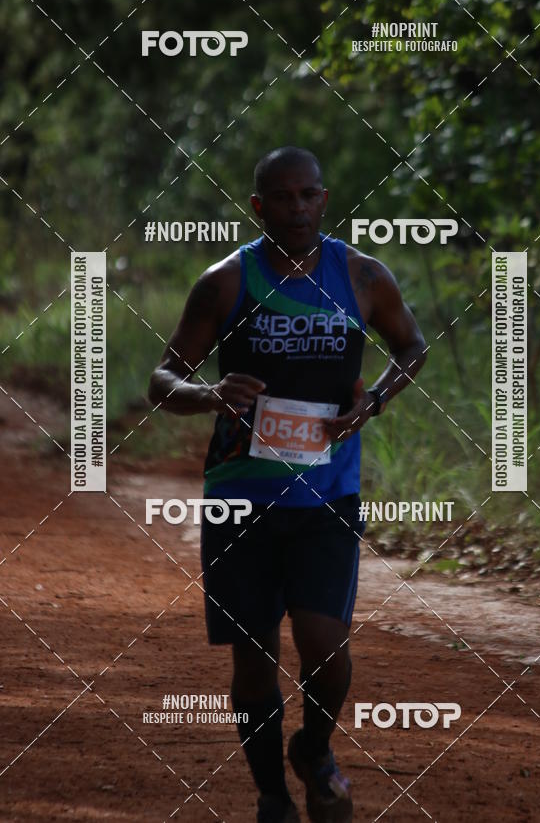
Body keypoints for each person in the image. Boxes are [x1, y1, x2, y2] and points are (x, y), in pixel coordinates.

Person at [148, 146, 427, 823]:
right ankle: (271, 794)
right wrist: (210, 393)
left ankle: (315, 748)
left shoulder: (361, 275)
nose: (297, 208)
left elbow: (412, 347)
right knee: (253, 658)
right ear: (258, 206)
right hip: (241, 498)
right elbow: (162, 381)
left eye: (309, 195)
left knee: (325, 645)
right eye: (283, 197)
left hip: (328, 495)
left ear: (323, 200)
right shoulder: (224, 282)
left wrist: (376, 401)